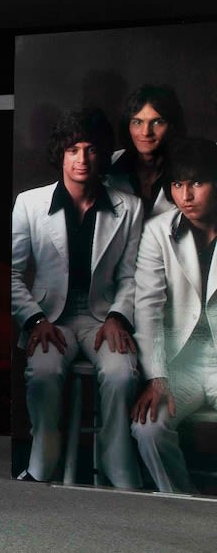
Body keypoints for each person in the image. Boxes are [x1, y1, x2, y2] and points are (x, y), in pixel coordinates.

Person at [10, 108, 143, 488]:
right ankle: (43, 461)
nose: (82, 159)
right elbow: (13, 274)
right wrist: (35, 320)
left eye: (90, 149)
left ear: (102, 154)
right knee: (44, 372)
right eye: (72, 150)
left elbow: (131, 274)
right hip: (50, 319)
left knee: (120, 373)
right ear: (61, 154)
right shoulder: (29, 204)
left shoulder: (128, 207)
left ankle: (118, 468)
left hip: (103, 317)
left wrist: (119, 316)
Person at [131, 137, 217, 494]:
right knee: (147, 427)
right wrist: (158, 375)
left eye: (197, 183)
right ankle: (183, 509)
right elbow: (147, 307)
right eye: (178, 185)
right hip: (183, 361)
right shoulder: (158, 230)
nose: (187, 196)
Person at [106, 84, 187, 218]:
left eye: (157, 122)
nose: (145, 132)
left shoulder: (187, 165)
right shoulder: (109, 165)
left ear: (172, 126)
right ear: (128, 126)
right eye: (137, 122)